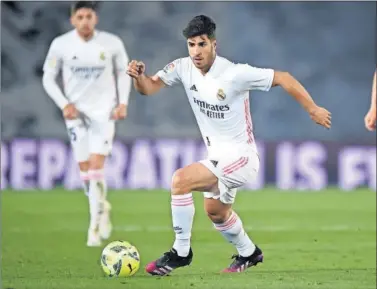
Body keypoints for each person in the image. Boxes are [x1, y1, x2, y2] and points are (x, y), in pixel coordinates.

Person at [127, 15, 331, 274]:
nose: (196, 51)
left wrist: (312, 109)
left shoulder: (235, 73)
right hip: (218, 156)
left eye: (202, 44)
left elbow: (284, 77)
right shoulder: (182, 67)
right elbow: (149, 88)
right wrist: (138, 77)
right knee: (216, 213)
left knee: (181, 180)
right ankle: (250, 253)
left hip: (242, 157)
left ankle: (181, 252)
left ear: (214, 44)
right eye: (191, 45)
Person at [42, 1, 131, 247]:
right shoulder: (61, 45)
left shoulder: (111, 43)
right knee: (85, 174)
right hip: (76, 115)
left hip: (104, 113)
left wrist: (122, 103)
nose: (84, 21)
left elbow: (124, 73)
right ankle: (102, 206)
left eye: (89, 16)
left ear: (96, 18)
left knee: (95, 166)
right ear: (72, 20)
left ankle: (93, 227)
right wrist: (64, 104)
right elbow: (48, 78)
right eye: (79, 17)